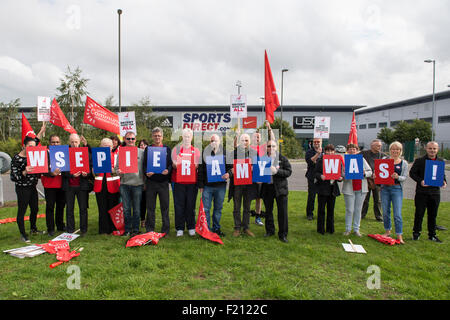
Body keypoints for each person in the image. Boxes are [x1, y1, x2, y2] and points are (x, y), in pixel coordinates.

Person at [410, 141, 447, 243]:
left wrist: (444, 182)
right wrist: (420, 181)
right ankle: (416, 233)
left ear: (437, 149)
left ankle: (432, 235)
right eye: (430, 148)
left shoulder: (440, 161)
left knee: (433, 215)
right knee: (419, 214)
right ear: (426, 149)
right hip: (422, 192)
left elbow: (442, 174)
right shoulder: (420, 161)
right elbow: (412, 173)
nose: (432, 150)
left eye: (434, 149)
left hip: (435, 193)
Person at [197, 133, 231, 237]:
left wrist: (228, 174)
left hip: (220, 186)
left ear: (220, 141)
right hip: (207, 186)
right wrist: (201, 186)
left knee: (218, 208)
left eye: (215, 140)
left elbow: (231, 167)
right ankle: (207, 229)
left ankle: (216, 228)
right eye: (211, 141)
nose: (213, 142)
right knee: (206, 209)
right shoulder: (205, 153)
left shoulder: (225, 153)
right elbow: (201, 171)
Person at [10, 136, 41, 242]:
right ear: (23, 146)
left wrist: (41, 131)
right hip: (22, 188)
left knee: (35, 208)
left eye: (34, 147)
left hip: (33, 187)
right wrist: (24, 172)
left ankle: (33, 229)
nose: (32, 148)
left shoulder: (32, 155)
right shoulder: (16, 159)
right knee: (22, 211)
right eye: (30, 146)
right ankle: (23, 234)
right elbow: (14, 177)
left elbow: (36, 140)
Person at [376, 141, 408, 244]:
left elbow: (404, 177)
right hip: (385, 189)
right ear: (390, 150)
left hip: (397, 189)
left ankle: (399, 234)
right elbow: (379, 173)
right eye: (393, 149)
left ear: (400, 151)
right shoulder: (384, 160)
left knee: (397, 213)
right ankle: (387, 231)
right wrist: (376, 177)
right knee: (385, 211)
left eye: (397, 149)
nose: (395, 151)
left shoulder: (404, 163)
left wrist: (398, 177)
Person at [142, 127, 172, 235]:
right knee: (150, 207)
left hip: (163, 182)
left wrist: (167, 170)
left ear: (162, 137)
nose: (157, 137)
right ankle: (150, 229)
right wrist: (146, 172)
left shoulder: (167, 149)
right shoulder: (148, 149)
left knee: (165, 207)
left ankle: (165, 230)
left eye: (159, 135)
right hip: (151, 182)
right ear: (152, 137)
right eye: (155, 136)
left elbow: (170, 164)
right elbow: (144, 164)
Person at [261, 140, 292, 242]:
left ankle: (283, 234)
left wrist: (277, 171)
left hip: (280, 189)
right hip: (267, 188)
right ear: (266, 148)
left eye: (273, 146)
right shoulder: (263, 159)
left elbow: (289, 171)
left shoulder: (282, 159)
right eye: (269, 146)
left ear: (276, 147)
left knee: (282, 212)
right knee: (268, 211)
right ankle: (270, 231)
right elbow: (259, 172)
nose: (271, 148)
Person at [171, 128, 200, 237]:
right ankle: (180, 228)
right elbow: (173, 164)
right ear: (182, 137)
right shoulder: (176, 149)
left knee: (190, 204)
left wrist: (195, 165)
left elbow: (197, 165)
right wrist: (177, 163)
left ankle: (191, 226)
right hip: (179, 181)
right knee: (179, 204)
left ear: (191, 138)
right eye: (185, 136)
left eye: (189, 136)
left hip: (192, 181)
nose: (187, 138)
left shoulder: (196, 150)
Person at [115, 131, 145, 237]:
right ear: (124, 139)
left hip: (137, 184)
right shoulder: (121, 152)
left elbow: (145, 168)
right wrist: (118, 172)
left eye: (132, 139)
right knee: (127, 209)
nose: (130, 141)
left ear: (135, 139)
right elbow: (116, 168)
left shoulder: (141, 152)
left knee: (137, 209)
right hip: (124, 184)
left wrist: (144, 182)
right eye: (128, 139)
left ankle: (136, 230)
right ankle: (127, 230)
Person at [228, 133, 258, 237]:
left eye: (246, 140)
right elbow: (229, 166)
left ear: (249, 141)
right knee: (236, 207)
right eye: (242, 140)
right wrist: (232, 170)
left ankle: (246, 227)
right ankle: (237, 228)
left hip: (249, 184)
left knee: (247, 207)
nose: (244, 142)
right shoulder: (234, 153)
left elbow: (258, 166)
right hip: (237, 184)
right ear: (239, 141)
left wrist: (254, 168)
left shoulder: (254, 153)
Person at [62, 133, 92, 236]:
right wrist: (71, 175)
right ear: (69, 142)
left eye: (76, 142)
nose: (74, 144)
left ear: (79, 142)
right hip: (69, 186)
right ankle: (70, 229)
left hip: (82, 185)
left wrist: (86, 174)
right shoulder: (65, 153)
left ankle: (84, 230)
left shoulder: (85, 153)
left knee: (83, 209)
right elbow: (63, 170)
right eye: (72, 142)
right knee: (69, 209)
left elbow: (90, 169)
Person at [341, 144, 372, 237]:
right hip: (349, 188)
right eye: (350, 149)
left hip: (361, 188)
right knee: (350, 210)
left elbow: (370, 172)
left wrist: (364, 173)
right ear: (347, 151)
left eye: (354, 149)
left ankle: (356, 229)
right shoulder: (344, 161)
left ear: (357, 150)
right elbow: (342, 175)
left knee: (358, 210)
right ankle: (347, 229)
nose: (352, 151)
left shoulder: (361, 160)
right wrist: (345, 174)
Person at [249, 120, 276, 226]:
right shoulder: (249, 148)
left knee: (259, 199)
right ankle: (246, 217)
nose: (257, 138)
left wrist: (269, 128)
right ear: (252, 138)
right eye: (255, 137)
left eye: (259, 137)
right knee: (247, 198)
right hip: (251, 176)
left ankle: (257, 217)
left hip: (261, 176)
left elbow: (273, 139)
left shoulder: (264, 147)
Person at [93, 138, 120, 234]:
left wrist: (115, 170)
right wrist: (94, 170)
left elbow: (120, 171)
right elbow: (93, 172)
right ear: (100, 146)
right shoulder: (96, 156)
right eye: (104, 146)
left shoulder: (116, 156)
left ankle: (113, 228)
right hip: (100, 186)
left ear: (112, 147)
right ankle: (103, 229)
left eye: (108, 146)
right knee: (102, 208)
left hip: (113, 186)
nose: (106, 148)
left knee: (112, 208)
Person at [314, 144, 342, 235]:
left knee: (331, 210)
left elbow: (339, 174)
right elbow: (315, 173)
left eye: (331, 151)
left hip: (332, 189)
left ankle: (330, 229)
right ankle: (320, 229)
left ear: (334, 151)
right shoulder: (321, 161)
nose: (329, 152)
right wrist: (320, 176)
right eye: (327, 151)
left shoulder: (337, 161)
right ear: (325, 151)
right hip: (322, 188)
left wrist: (340, 178)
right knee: (321, 210)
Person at [41, 134, 66, 236]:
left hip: (61, 184)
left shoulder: (64, 152)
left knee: (61, 206)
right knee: (50, 207)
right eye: (53, 142)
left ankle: (60, 225)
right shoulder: (45, 153)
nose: (55, 144)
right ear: (49, 143)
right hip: (49, 184)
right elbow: (41, 169)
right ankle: (50, 229)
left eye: (57, 142)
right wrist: (51, 173)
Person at [361, 139, 385, 221]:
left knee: (377, 199)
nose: (379, 147)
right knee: (365, 199)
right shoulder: (364, 154)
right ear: (372, 146)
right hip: (367, 179)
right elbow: (355, 158)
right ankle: (362, 214)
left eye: (380, 145)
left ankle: (378, 216)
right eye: (378, 145)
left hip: (378, 180)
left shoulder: (383, 156)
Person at [305, 138, 323, 220]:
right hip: (312, 176)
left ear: (321, 142)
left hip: (322, 177)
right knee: (312, 196)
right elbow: (310, 161)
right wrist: (317, 154)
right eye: (315, 142)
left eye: (318, 142)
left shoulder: (324, 151)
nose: (316, 143)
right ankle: (309, 214)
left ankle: (321, 213)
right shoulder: (309, 151)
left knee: (322, 196)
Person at [138, 139, 149, 229]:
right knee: (139, 203)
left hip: (147, 182)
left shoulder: (150, 155)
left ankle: (144, 220)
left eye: (145, 145)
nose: (143, 146)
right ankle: (140, 219)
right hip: (138, 182)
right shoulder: (136, 155)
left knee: (146, 202)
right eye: (141, 145)